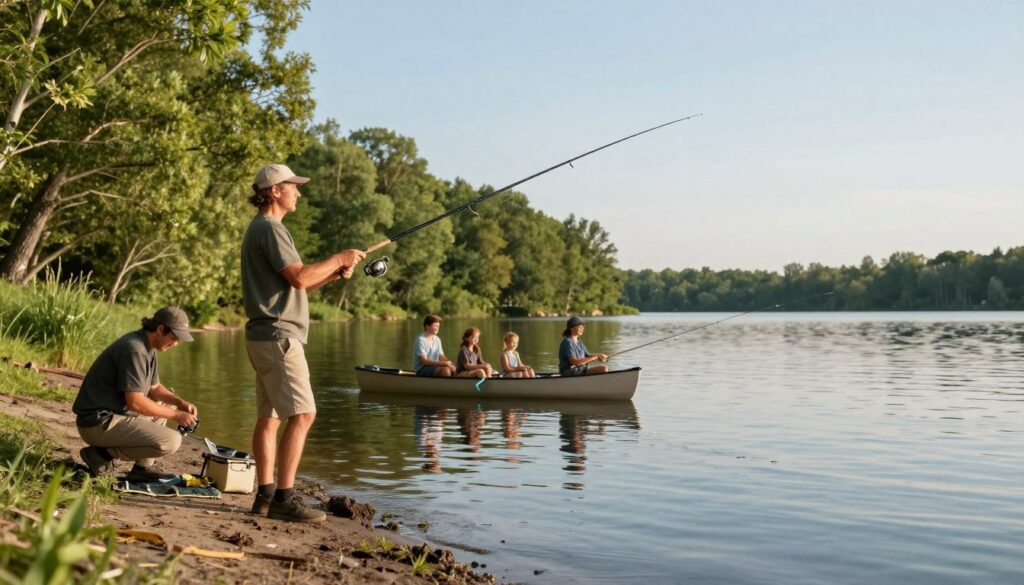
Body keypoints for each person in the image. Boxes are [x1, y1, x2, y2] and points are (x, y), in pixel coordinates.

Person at [242, 163, 365, 523]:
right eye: (293, 186)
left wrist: (330, 274)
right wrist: (339, 257)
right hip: (280, 338)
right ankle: (284, 498)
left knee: (270, 418)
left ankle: (264, 496)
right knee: (304, 414)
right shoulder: (271, 229)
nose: (299, 191)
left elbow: (298, 286)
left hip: (262, 336)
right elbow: (297, 276)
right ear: (275, 190)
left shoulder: (259, 229)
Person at [74, 306, 198, 481]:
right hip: (98, 423)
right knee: (171, 441)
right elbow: (136, 403)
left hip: (112, 417)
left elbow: (155, 389)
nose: (175, 343)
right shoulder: (135, 350)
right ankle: (101, 455)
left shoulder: (148, 347)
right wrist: (177, 415)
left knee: (168, 405)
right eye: (174, 337)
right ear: (160, 329)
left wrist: (180, 403)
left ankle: (142, 470)